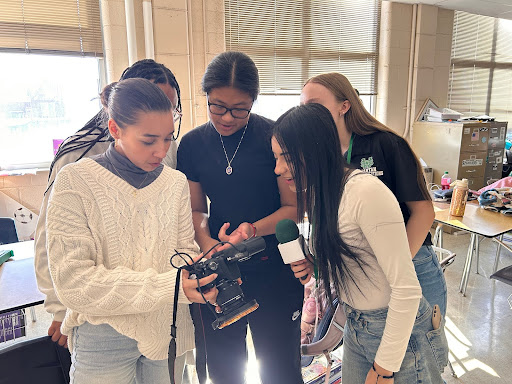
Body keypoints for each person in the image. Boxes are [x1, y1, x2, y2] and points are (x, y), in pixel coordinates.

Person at [45, 78, 216, 384]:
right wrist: (169, 287)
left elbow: (182, 253)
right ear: (115, 130)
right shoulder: (75, 181)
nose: (161, 151)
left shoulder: (174, 183)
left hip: (167, 328)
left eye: (167, 138)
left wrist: (198, 274)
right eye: (149, 140)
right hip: (103, 334)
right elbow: (72, 281)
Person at [273, 103, 448, 384]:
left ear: (315, 150)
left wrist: (384, 368)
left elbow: (406, 289)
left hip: (399, 333)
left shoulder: (366, 194)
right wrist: (314, 265)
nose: (278, 168)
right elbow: (356, 265)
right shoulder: (323, 195)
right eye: (275, 158)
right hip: (356, 325)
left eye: (286, 157)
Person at [177, 51, 304, 384]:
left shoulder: (274, 137)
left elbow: (293, 209)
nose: (228, 118)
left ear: (254, 101)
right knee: (224, 370)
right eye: (217, 105)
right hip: (220, 272)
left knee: (280, 369)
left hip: (274, 268)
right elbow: (195, 209)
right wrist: (209, 246)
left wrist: (251, 230)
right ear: (205, 96)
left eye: (239, 109)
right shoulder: (191, 144)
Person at [299, 73, 447, 317]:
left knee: (422, 352)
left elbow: (424, 212)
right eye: (303, 107)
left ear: (344, 106)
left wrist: (393, 270)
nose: (307, 114)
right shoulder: (321, 156)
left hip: (409, 263)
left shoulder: (386, 144)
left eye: (315, 105)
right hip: (359, 269)